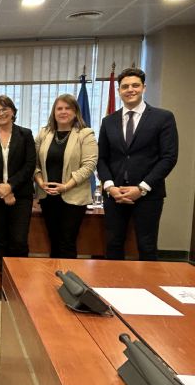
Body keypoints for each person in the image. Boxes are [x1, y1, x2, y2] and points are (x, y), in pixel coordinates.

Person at [97, 67, 178, 261]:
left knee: (146, 246)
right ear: (119, 90)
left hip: (148, 195)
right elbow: (101, 158)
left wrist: (141, 188)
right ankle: (113, 289)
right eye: (125, 86)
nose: (130, 89)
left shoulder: (163, 117)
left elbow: (169, 157)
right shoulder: (108, 121)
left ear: (143, 88)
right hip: (115, 194)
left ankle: (147, 290)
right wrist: (110, 187)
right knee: (114, 244)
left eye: (135, 85)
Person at [0, 95, 35, 300]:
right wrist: (0, 189)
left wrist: (10, 187)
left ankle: (19, 285)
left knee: (19, 241)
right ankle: (4, 284)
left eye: (5, 109)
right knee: (0, 241)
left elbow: (29, 165)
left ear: (12, 111)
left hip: (20, 196)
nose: (1, 113)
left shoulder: (25, 134)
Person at [34, 94, 98, 259]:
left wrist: (66, 186)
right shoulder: (44, 134)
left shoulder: (85, 134)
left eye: (67, 108)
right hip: (48, 197)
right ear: (54, 112)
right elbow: (33, 163)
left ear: (75, 111)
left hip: (73, 197)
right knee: (54, 241)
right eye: (59, 108)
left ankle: (69, 283)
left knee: (67, 242)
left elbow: (89, 165)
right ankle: (55, 280)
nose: (63, 112)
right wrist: (40, 183)